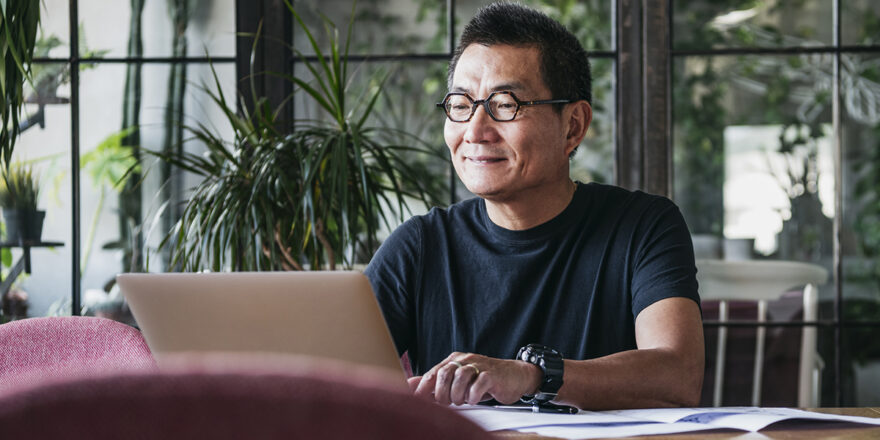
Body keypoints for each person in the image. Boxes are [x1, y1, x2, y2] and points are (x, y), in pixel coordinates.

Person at [364, 2, 704, 410]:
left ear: (573, 125)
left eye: (505, 104)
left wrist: (530, 376)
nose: (475, 130)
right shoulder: (418, 248)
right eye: (460, 104)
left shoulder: (642, 227)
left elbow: (677, 375)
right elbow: (328, 378)